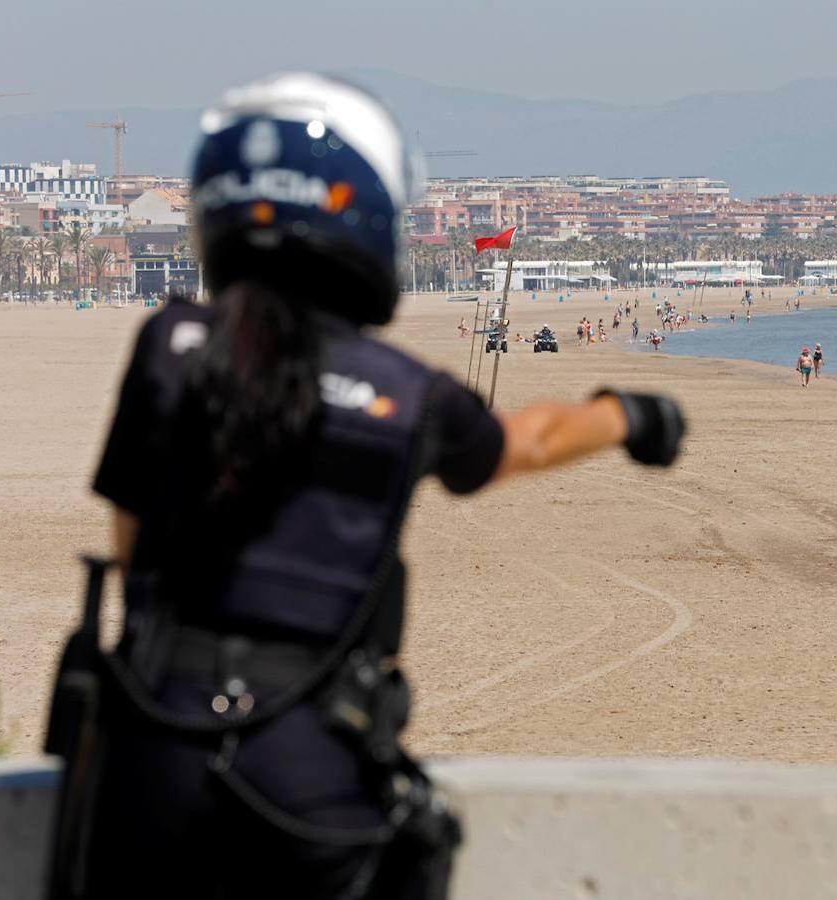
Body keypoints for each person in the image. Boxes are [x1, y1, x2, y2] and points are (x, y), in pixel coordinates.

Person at [45, 73, 686, 900]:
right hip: (307, 749)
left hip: (152, 742)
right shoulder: (403, 391)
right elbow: (523, 443)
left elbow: (133, 553)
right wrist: (628, 416)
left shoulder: (170, 347)